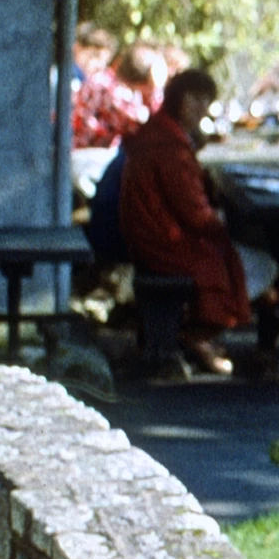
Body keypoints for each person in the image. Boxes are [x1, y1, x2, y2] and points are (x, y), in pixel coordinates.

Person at [111, 67, 253, 375]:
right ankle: (198, 335)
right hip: (159, 239)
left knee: (227, 251)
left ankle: (197, 335)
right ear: (179, 99)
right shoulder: (169, 146)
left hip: (145, 232)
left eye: (206, 100)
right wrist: (224, 221)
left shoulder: (160, 132)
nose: (201, 107)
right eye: (195, 99)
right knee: (229, 255)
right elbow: (194, 213)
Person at [70, 23, 153, 152]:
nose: (99, 64)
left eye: (104, 60)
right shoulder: (110, 89)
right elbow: (146, 123)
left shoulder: (102, 80)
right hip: (80, 153)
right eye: (94, 56)